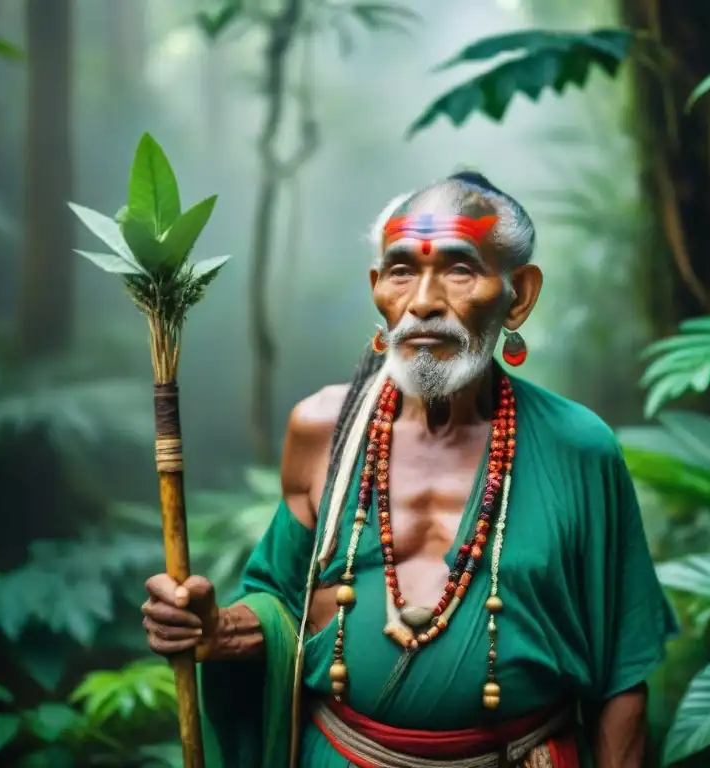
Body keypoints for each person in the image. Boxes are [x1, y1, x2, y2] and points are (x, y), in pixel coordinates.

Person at [142, 171, 678, 768]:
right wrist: (213, 628)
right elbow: (280, 602)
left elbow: (621, 679)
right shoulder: (322, 430)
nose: (423, 301)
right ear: (378, 289)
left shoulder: (579, 448)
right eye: (401, 271)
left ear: (519, 294)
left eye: (459, 270)